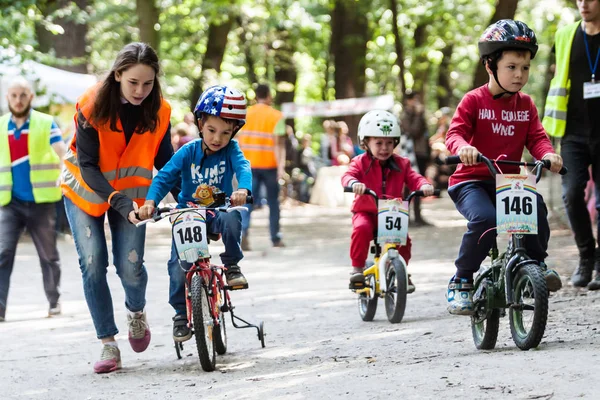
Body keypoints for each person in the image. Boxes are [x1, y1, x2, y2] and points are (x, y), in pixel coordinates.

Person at [61, 43, 175, 373]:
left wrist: (189, 196)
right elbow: (88, 165)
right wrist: (119, 202)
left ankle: (136, 313)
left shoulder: (160, 111)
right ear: (118, 75)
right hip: (85, 190)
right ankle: (108, 345)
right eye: (133, 83)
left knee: (130, 267)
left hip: (132, 195)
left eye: (148, 83)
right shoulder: (92, 105)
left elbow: (164, 160)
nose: (141, 90)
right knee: (94, 261)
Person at [444, 20, 564, 315]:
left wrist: (549, 154)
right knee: (486, 219)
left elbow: (537, 138)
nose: (519, 75)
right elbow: (454, 134)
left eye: (524, 68)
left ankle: (534, 264)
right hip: (471, 180)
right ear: (490, 65)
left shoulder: (526, 105)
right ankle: (461, 280)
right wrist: (464, 149)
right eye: (511, 67)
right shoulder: (473, 100)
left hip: (509, 180)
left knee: (535, 207)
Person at [138, 84, 252, 342]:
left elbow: (244, 167)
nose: (217, 138)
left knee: (233, 215)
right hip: (187, 214)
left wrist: (243, 188)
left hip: (216, 211)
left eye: (225, 132)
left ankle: (232, 265)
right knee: (178, 265)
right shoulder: (187, 151)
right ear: (200, 124)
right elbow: (164, 178)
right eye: (211, 130)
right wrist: (150, 202)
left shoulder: (231, 150)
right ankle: (180, 313)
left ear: (234, 131)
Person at [543, 0, 600, 290]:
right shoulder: (566, 34)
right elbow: (558, 81)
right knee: (571, 194)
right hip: (573, 133)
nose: (583, 3)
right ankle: (587, 256)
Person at [341, 110, 434, 289]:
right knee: (361, 229)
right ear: (366, 142)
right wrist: (353, 183)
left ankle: (401, 271)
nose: (384, 148)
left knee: (404, 240)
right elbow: (348, 176)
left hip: (392, 212)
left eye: (389, 143)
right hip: (366, 211)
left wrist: (423, 185)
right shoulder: (359, 162)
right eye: (379, 143)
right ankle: (357, 269)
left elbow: (414, 177)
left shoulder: (402, 163)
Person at [0, 77, 65, 322]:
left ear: (31, 97)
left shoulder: (46, 123)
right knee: (3, 253)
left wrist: (63, 173)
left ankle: (54, 301)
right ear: (7, 97)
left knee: (48, 255)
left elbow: (62, 153)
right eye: (14, 95)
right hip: (10, 202)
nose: (18, 100)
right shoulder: (0, 126)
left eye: (23, 95)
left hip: (42, 201)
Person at [237, 84, 286, 249]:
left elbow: (237, 138)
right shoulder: (277, 116)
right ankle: (275, 238)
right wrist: (281, 168)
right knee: (273, 203)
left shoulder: (245, 114)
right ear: (269, 95)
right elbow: (279, 144)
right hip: (270, 165)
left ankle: (243, 232)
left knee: (247, 202)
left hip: (248, 165)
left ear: (256, 95)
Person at [401, 92, 431, 226]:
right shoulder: (405, 115)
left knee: (419, 184)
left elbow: (425, 133)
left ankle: (418, 216)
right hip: (411, 154)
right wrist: (418, 115)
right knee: (407, 185)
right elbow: (413, 131)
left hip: (421, 154)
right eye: (414, 100)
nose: (416, 102)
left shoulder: (419, 114)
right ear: (408, 101)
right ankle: (404, 216)